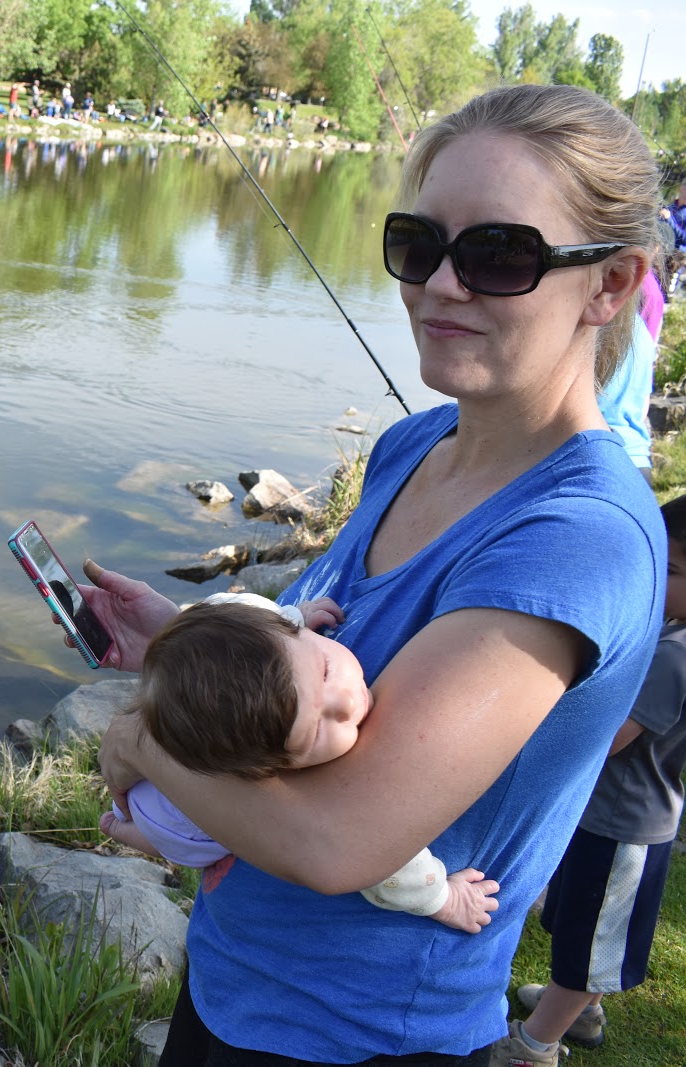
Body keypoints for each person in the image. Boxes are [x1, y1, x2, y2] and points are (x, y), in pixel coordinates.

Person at [85, 83, 662, 1064]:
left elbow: (336, 841)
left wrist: (144, 729)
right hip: (233, 984)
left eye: (496, 254)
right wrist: (180, 642)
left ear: (607, 286)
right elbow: (320, 650)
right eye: (418, 243)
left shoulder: (579, 538)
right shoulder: (412, 444)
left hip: (365, 1037)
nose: (440, 283)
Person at [102, 594, 500, 935]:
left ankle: (122, 815)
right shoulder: (314, 779)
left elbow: (241, 607)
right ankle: (122, 829)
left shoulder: (260, 621)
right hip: (172, 818)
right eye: (315, 732)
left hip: (154, 768)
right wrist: (443, 899)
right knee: (184, 840)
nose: (346, 703)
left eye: (326, 671)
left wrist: (296, 613)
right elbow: (390, 867)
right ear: (262, 773)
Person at [493, 494, 686, 1063]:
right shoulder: (670, 633)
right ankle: (581, 1009)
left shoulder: (674, 655)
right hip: (600, 813)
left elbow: (611, 740)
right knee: (577, 918)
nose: (654, 576)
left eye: (670, 571)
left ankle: (537, 1045)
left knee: (592, 940)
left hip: (625, 826)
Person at [596, 311, 657, 483]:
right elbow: (644, 406)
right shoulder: (640, 330)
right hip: (638, 460)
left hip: (599, 458)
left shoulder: (598, 325)